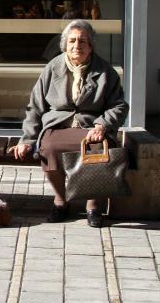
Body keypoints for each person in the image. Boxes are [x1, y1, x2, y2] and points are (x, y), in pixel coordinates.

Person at [8, 20, 129, 227]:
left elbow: (118, 106)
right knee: (49, 147)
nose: (77, 46)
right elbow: (35, 107)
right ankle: (61, 201)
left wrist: (102, 125)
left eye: (82, 41)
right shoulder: (53, 68)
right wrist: (27, 139)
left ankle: (92, 206)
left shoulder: (105, 71)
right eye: (72, 41)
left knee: (98, 148)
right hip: (58, 125)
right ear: (64, 45)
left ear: (91, 45)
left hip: (91, 127)